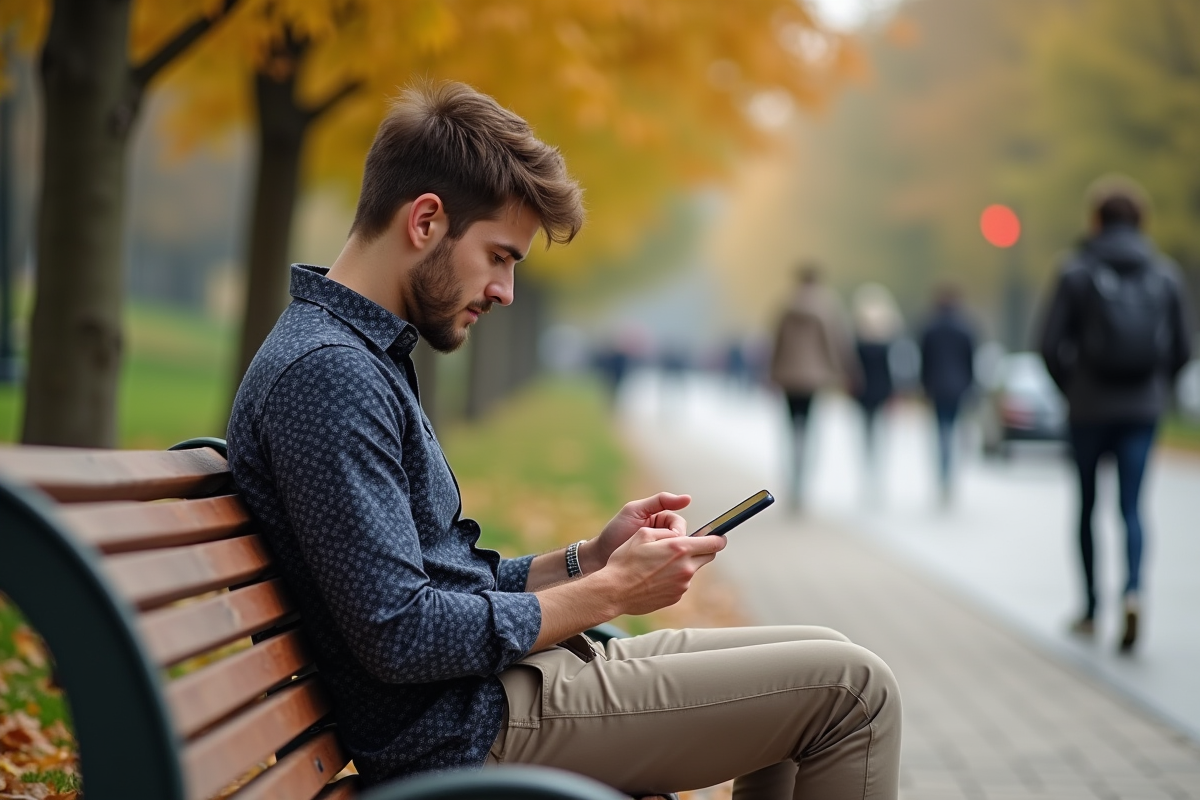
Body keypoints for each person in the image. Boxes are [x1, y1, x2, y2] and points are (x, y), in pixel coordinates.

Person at [227, 81, 901, 799]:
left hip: (497, 694)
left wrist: (586, 560)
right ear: (426, 221)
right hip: (473, 729)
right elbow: (401, 633)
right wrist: (610, 594)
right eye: (500, 257)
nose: (505, 291)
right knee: (856, 691)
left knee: (827, 654)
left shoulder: (356, 357)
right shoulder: (329, 375)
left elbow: (438, 588)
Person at [1037, 179, 1193, 652]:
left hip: (1088, 407)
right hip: (1141, 408)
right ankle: (1133, 592)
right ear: (1140, 220)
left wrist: (1073, 387)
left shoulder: (1075, 271)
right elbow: (1183, 349)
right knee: (1132, 508)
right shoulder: (1165, 275)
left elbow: (1047, 343)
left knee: (1087, 507)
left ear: (1096, 219)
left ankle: (1089, 609)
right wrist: (1154, 389)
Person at [768, 265, 859, 511]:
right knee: (809, 428)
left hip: (788, 375)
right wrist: (841, 370)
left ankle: (792, 478)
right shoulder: (827, 305)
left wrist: (772, 371)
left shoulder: (785, 304)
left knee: (791, 428)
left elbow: (776, 341)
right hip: (814, 377)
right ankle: (803, 482)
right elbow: (834, 341)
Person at [918, 285, 977, 505]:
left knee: (941, 431)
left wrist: (923, 386)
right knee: (952, 429)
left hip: (936, 386)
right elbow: (970, 359)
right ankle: (948, 475)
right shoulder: (965, 327)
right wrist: (971, 385)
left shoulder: (930, 327)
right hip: (959, 386)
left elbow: (925, 360)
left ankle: (943, 475)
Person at [850, 283, 904, 497]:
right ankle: (876, 475)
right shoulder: (888, 342)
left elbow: (852, 368)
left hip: (864, 393)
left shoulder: (858, 341)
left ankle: (869, 473)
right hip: (881, 392)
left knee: (867, 435)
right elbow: (894, 370)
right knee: (880, 435)